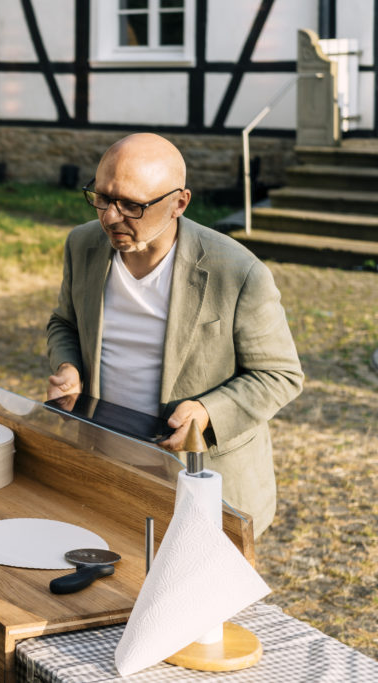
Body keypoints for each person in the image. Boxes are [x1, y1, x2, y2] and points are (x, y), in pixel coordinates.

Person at [46, 133, 303, 536]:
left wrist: (206, 412)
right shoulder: (82, 244)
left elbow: (280, 375)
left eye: (132, 205)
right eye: (101, 197)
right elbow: (65, 322)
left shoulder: (238, 271)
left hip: (204, 481)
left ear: (179, 203)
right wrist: (68, 365)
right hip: (104, 466)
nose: (111, 217)